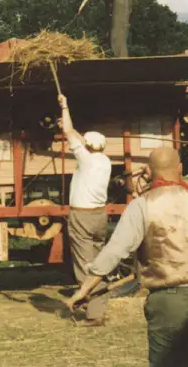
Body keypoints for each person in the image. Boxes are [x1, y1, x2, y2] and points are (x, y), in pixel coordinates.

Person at [65, 147, 188, 367]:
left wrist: (85, 288)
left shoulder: (142, 206)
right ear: (181, 168)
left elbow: (114, 251)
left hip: (166, 303)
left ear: (148, 171)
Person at [57, 93, 112, 327]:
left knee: (84, 264)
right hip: (100, 216)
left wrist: (65, 106)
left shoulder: (85, 159)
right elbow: (78, 137)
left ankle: (92, 313)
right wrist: (72, 130)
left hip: (82, 216)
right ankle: (98, 309)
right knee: (99, 262)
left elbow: (70, 133)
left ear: (87, 147)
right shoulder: (104, 161)